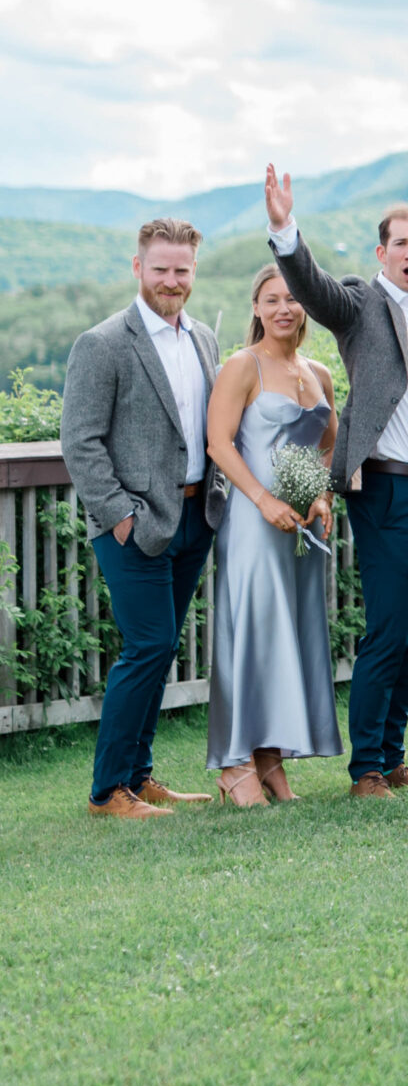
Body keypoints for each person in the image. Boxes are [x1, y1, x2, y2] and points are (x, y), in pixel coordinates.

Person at [267, 171, 408, 799]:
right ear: (381, 253)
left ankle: (394, 759)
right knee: (389, 630)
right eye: (398, 243)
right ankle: (366, 769)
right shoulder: (359, 305)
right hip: (387, 491)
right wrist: (285, 230)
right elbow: (311, 288)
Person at [61, 219, 222, 819]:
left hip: (194, 516)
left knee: (162, 646)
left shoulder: (203, 339)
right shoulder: (102, 343)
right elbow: (80, 442)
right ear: (138, 268)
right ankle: (108, 792)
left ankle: (140, 774)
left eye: (182, 270)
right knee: (149, 644)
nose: (171, 281)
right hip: (133, 524)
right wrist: (120, 516)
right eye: (160, 269)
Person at [202, 263, 341, 804]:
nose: (284, 307)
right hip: (254, 524)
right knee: (252, 634)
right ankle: (234, 763)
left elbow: (328, 442)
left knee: (290, 635)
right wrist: (263, 501)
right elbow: (219, 443)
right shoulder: (242, 366)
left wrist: (322, 495)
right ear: (256, 308)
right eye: (271, 299)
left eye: (293, 297)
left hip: (300, 528)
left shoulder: (319, 372)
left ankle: (270, 762)